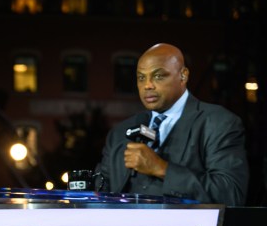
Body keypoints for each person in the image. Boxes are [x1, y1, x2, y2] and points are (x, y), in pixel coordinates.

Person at [95, 43, 248, 205]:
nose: (147, 85)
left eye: (159, 76)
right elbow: (101, 188)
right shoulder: (120, 131)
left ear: (183, 75)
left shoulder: (218, 122)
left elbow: (231, 194)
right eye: (141, 77)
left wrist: (162, 169)